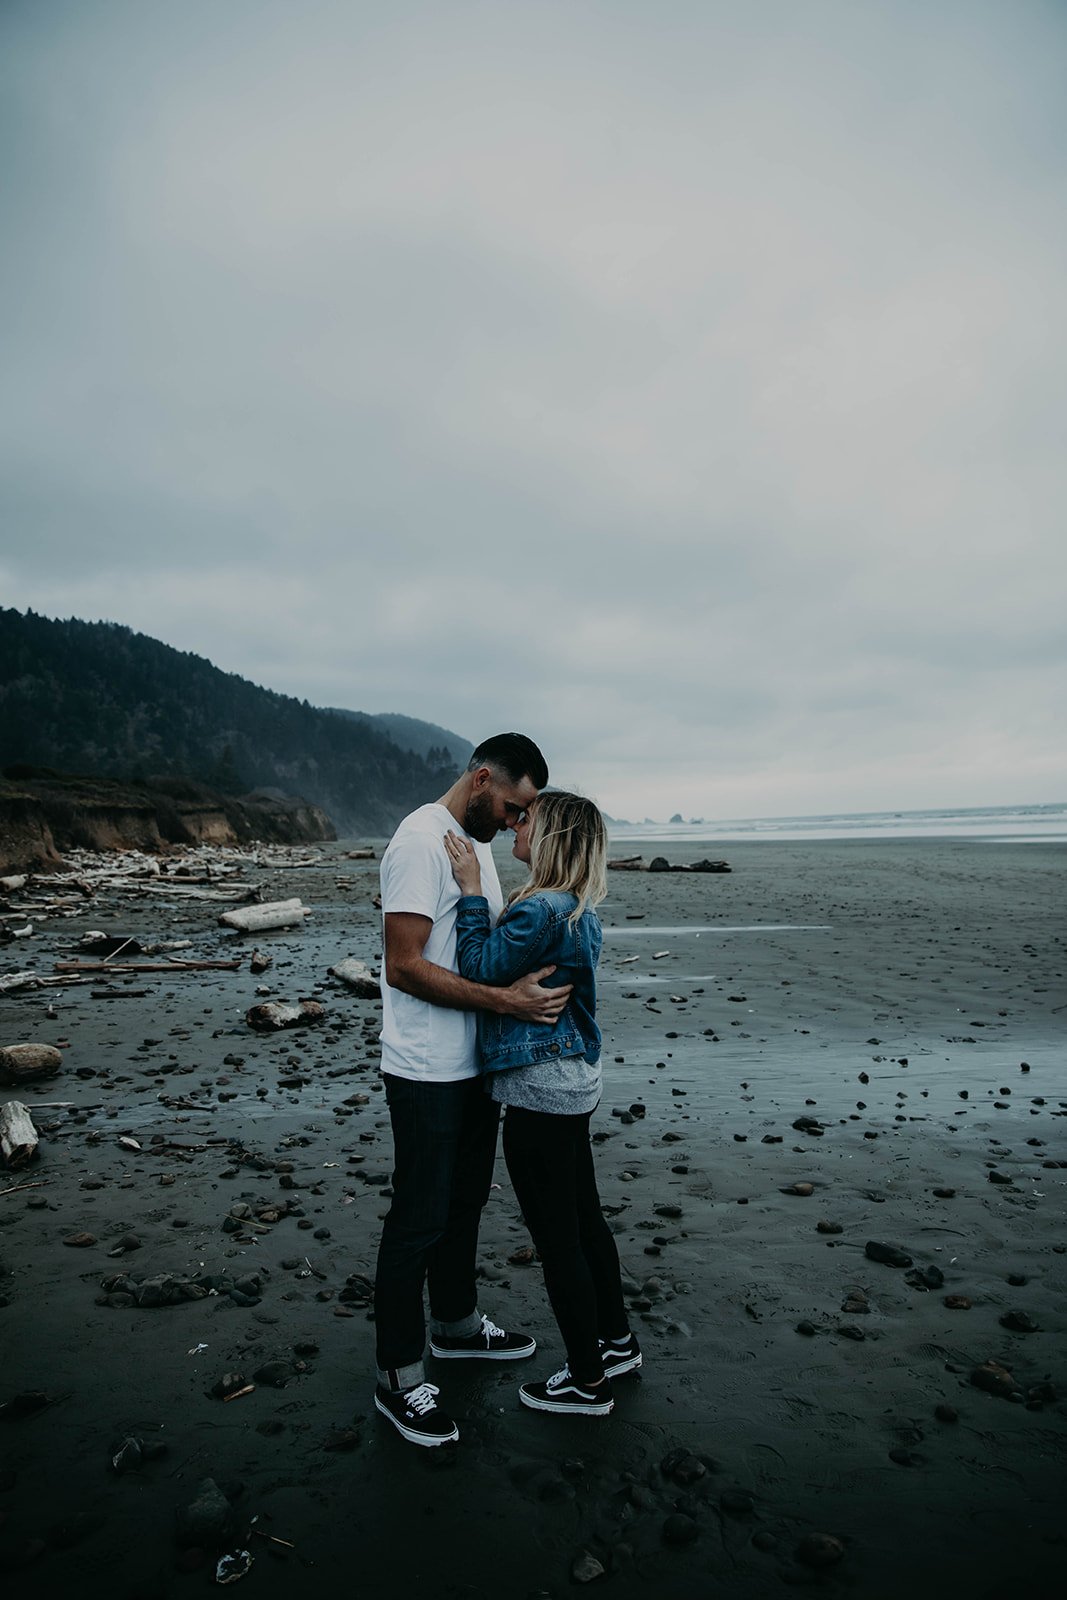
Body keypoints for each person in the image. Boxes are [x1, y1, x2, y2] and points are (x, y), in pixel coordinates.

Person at [373, 732, 574, 1448]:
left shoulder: (473, 848)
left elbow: (476, 950)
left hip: (473, 1067)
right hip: (426, 1067)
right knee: (417, 1219)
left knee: (461, 1206)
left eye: (525, 816)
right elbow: (402, 967)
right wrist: (506, 1005)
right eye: (514, 806)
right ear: (482, 777)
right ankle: (397, 1377)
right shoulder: (419, 842)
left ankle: (455, 1327)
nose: (517, 823)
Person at [443, 790, 641, 1418]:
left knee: (559, 1240)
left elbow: (476, 966)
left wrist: (474, 889)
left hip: (539, 1091)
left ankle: (587, 1382)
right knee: (585, 1219)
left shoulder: (540, 911)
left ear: (553, 836)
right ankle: (617, 1343)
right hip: (575, 1081)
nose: (517, 826)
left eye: (528, 820)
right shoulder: (580, 910)